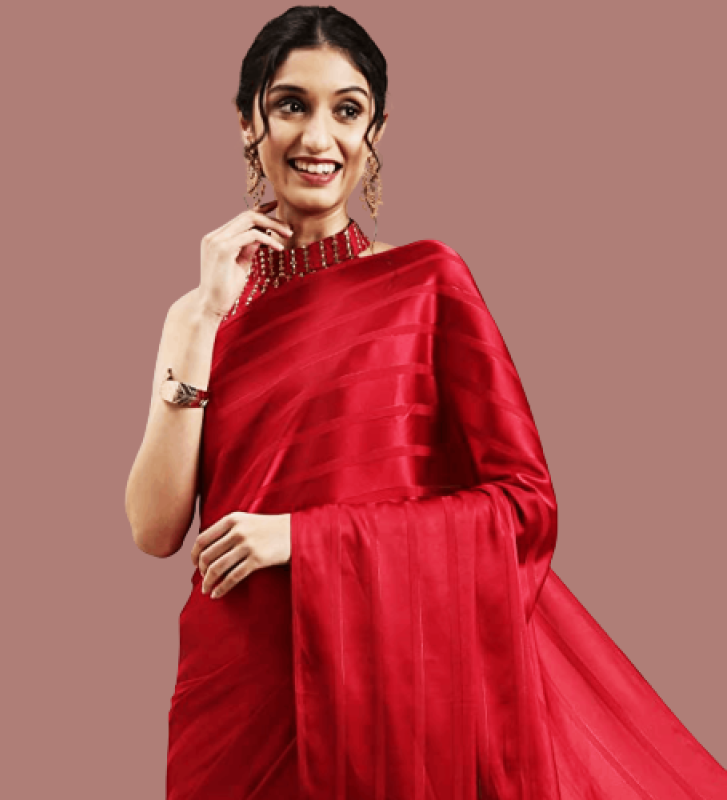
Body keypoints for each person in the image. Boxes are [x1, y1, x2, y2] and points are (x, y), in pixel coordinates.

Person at [124, 6, 727, 799]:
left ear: (375, 131)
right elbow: (154, 529)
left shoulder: (424, 284)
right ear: (246, 122)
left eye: (347, 110)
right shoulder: (194, 313)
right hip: (238, 680)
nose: (317, 137)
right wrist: (206, 316)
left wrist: (303, 538)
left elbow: (524, 507)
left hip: (384, 678)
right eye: (290, 104)